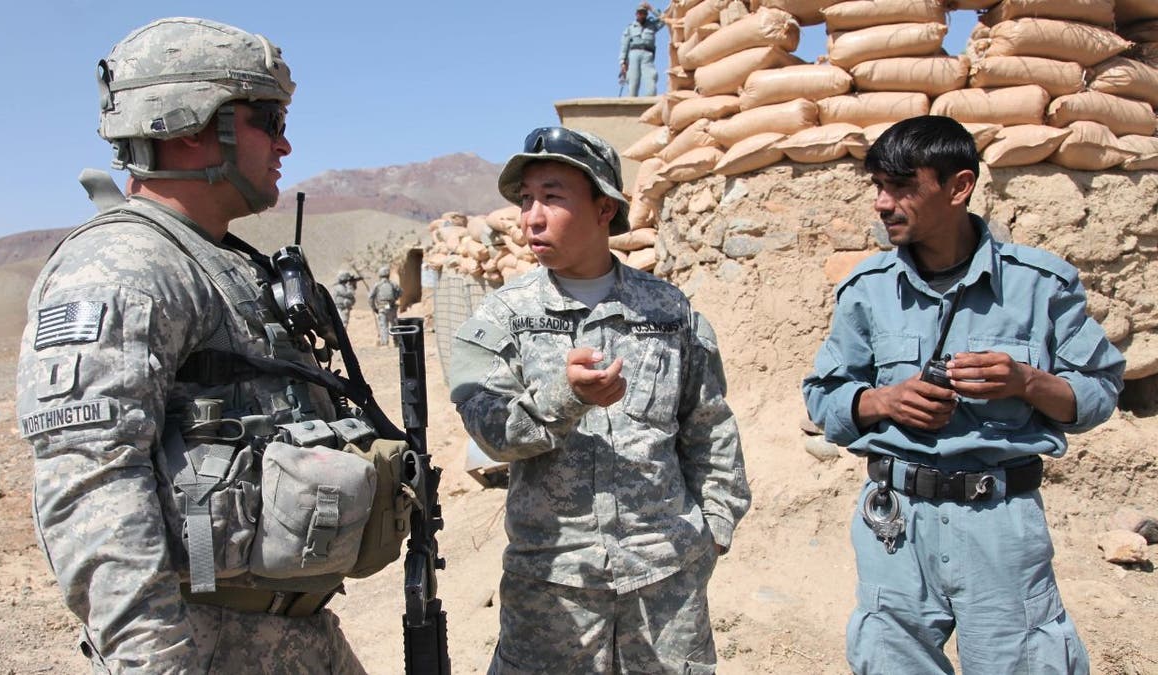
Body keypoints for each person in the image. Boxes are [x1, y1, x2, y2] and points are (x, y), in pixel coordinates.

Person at [16, 17, 392, 673]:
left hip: (290, 638)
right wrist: (156, 662)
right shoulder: (123, 267)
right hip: (203, 649)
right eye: (268, 119)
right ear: (193, 122)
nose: (285, 143)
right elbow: (92, 489)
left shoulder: (224, 262)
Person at [802, 115, 1125, 675]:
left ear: (959, 186)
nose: (883, 203)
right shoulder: (867, 290)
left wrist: (1027, 383)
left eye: (902, 186)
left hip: (1000, 521)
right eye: (878, 186)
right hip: (895, 523)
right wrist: (881, 402)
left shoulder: (1040, 286)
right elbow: (822, 398)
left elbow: (1097, 393)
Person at [449, 126, 750, 674]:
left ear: (605, 209)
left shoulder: (668, 311)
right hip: (552, 587)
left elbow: (709, 427)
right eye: (526, 200)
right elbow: (488, 430)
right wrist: (564, 397)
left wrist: (714, 531)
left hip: (667, 582)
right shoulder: (502, 316)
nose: (531, 217)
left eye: (553, 196)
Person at [619, 2, 664, 97]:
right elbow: (624, 45)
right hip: (633, 54)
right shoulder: (630, 28)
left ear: (646, 14)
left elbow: (664, 20)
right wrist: (623, 62)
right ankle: (631, 103)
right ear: (636, 14)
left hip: (648, 54)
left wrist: (651, 8)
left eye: (644, 13)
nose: (641, 15)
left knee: (650, 78)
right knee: (633, 80)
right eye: (639, 13)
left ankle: (650, 103)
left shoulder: (652, 25)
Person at [368, 265, 402, 347]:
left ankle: (385, 343)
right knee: (394, 325)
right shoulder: (393, 284)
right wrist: (395, 297)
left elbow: (370, 297)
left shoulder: (377, 285)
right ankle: (396, 343)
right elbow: (400, 292)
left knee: (383, 325)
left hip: (381, 308)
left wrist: (374, 307)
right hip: (392, 308)